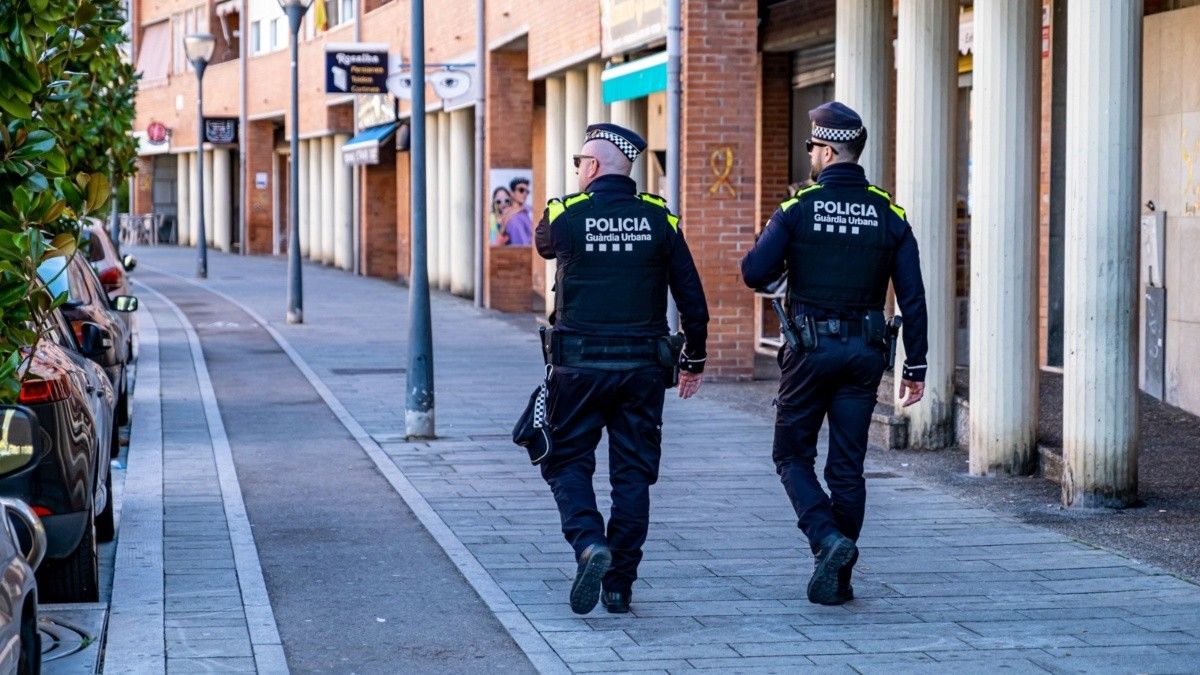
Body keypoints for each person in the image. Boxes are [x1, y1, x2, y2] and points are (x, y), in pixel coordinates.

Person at [740, 101, 929, 606]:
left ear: (825, 149)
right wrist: (918, 365)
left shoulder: (799, 208)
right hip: (865, 352)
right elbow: (913, 295)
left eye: (812, 148)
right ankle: (839, 580)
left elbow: (754, 272)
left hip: (809, 350)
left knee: (791, 454)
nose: (811, 156)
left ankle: (826, 540)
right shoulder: (889, 212)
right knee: (847, 467)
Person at [534, 123, 709, 615]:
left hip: (579, 370)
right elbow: (692, 299)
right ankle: (619, 585)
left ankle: (590, 544)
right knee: (632, 476)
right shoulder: (660, 219)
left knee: (566, 460)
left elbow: (545, 246)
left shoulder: (565, 214)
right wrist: (693, 359)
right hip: (641, 372)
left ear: (590, 167)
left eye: (578, 163)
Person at [505, 177, 534, 245]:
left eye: (527, 191)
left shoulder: (528, 211)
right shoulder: (513, 218)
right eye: (521, 190)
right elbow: (522, 244)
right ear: (511, 193)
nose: (525, 194)